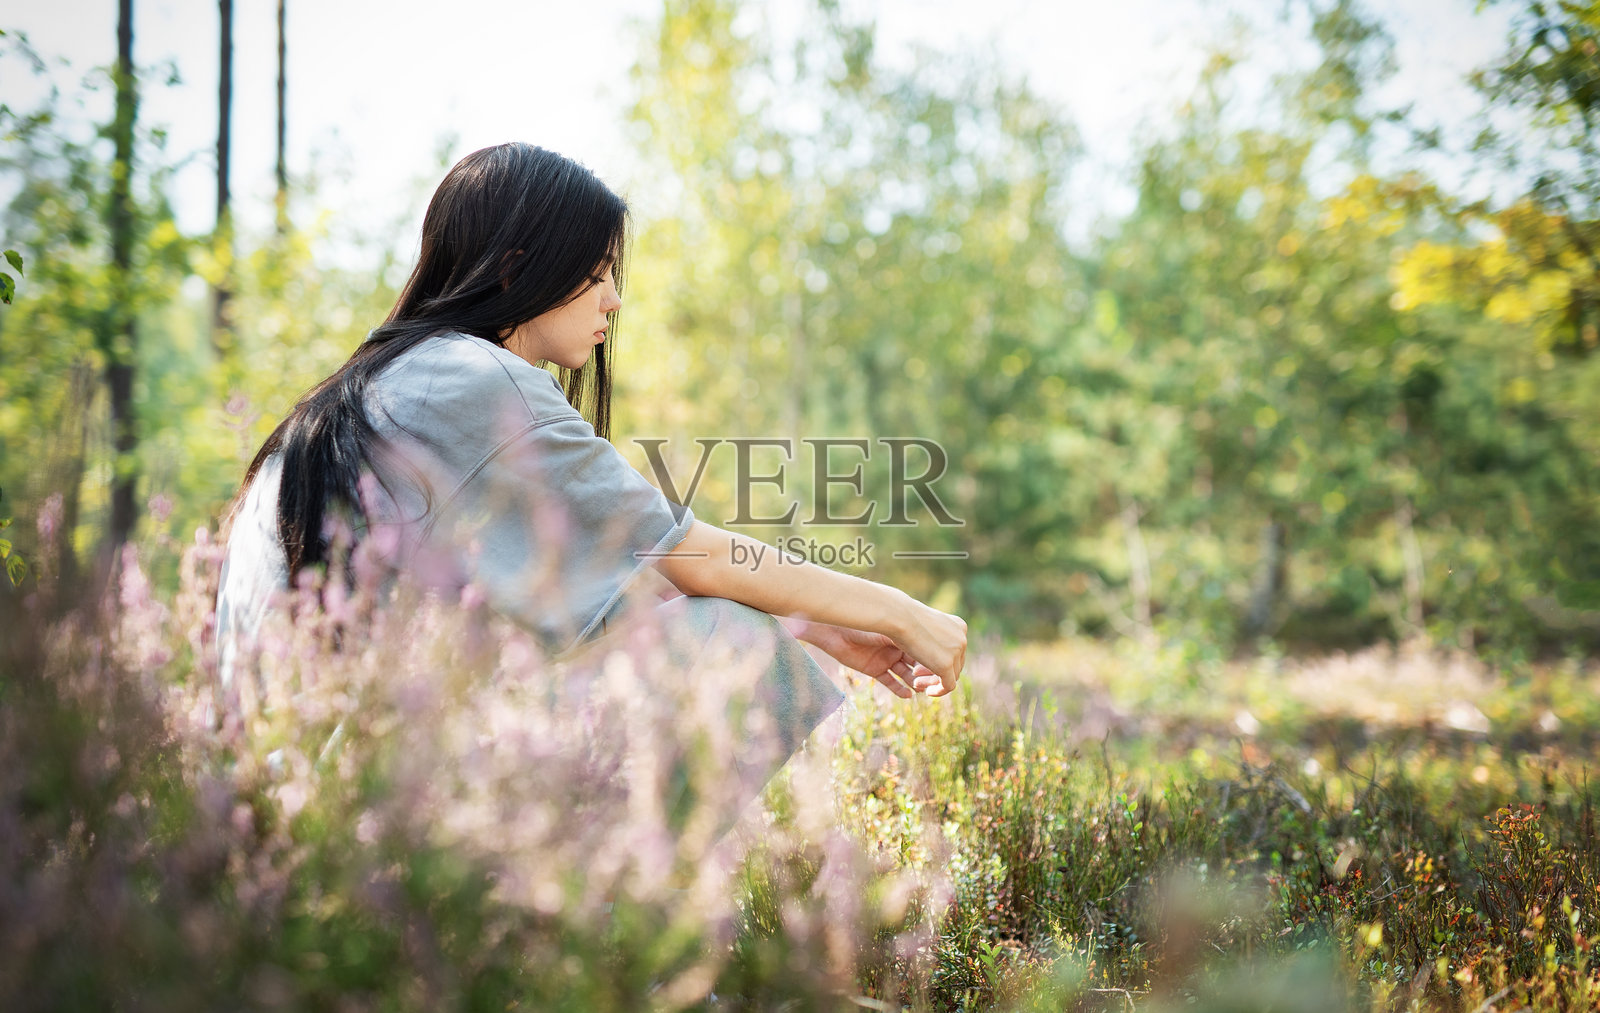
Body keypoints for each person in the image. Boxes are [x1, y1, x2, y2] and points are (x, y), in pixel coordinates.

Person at [214, 142, 967, 798]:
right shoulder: (475, 380)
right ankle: (594, 943)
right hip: (363, 800)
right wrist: (899, 611)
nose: (614, 298)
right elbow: (684, 552)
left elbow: (623, 573)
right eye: (598, 270)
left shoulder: (392, 382)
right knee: (732, 642)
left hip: (291, 792)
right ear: (519, 269)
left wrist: (824, 625)